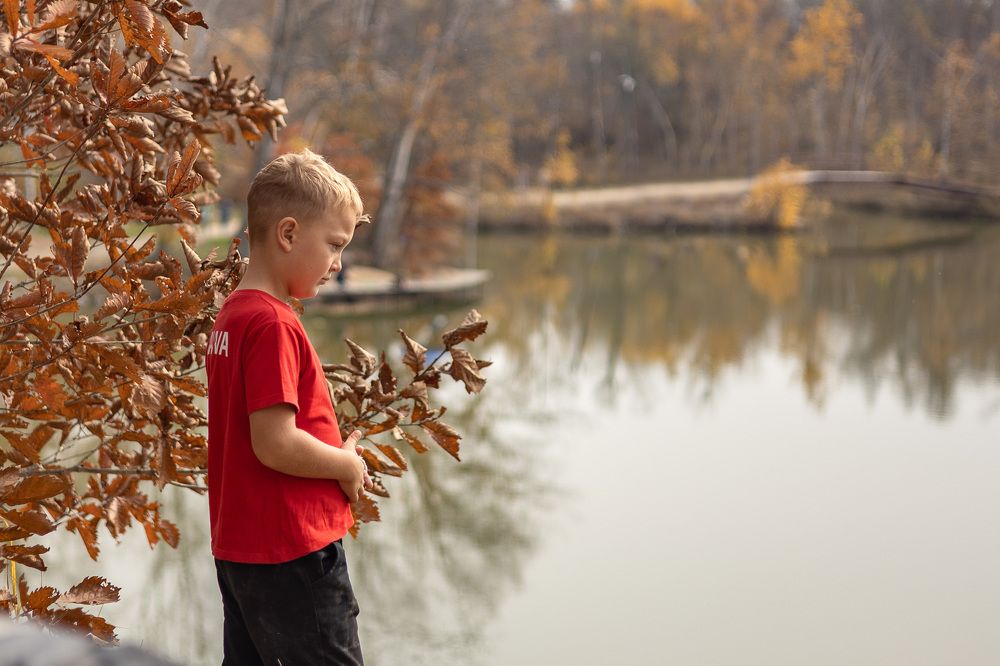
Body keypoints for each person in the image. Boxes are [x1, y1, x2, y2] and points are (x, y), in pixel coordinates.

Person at [206, 149, 373, 665]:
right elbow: (274, 442)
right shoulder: (272, 323)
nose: (338, 264)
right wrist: (345, 462)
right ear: (288, 234)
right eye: (334, 245)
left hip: (242, 553)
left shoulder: (232, 317)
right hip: (294, 551)